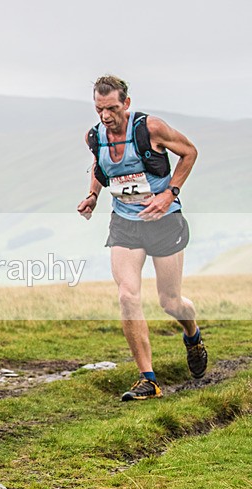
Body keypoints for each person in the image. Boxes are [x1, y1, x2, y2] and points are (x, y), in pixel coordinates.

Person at [77, 75, 208, 401]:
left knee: (170, 301)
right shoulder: (96, 136)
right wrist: (93, 195)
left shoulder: (150, 128)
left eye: (111, 108)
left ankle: (192, 335)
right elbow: (99, 165)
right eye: (99, 109)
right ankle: (147, 379)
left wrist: (170, 193)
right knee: (127, 296)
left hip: (163, 220)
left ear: (126, 104)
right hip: (125, 223)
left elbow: (189, 152)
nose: (106, 116)